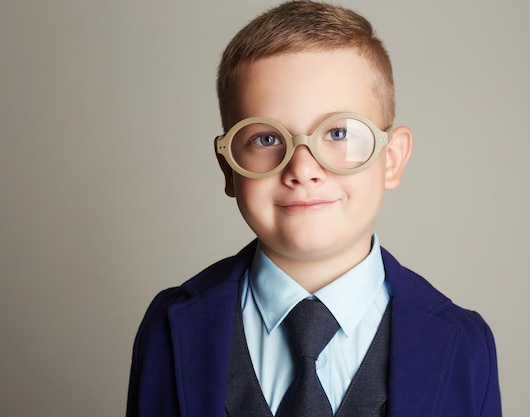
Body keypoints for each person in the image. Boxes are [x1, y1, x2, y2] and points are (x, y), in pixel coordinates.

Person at [126, 1, 502, 416]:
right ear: (229, 169)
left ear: (391, 159)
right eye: (267, 139)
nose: (302, 169)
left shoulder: (463, 342)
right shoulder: (169, 325)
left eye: (338, 132)